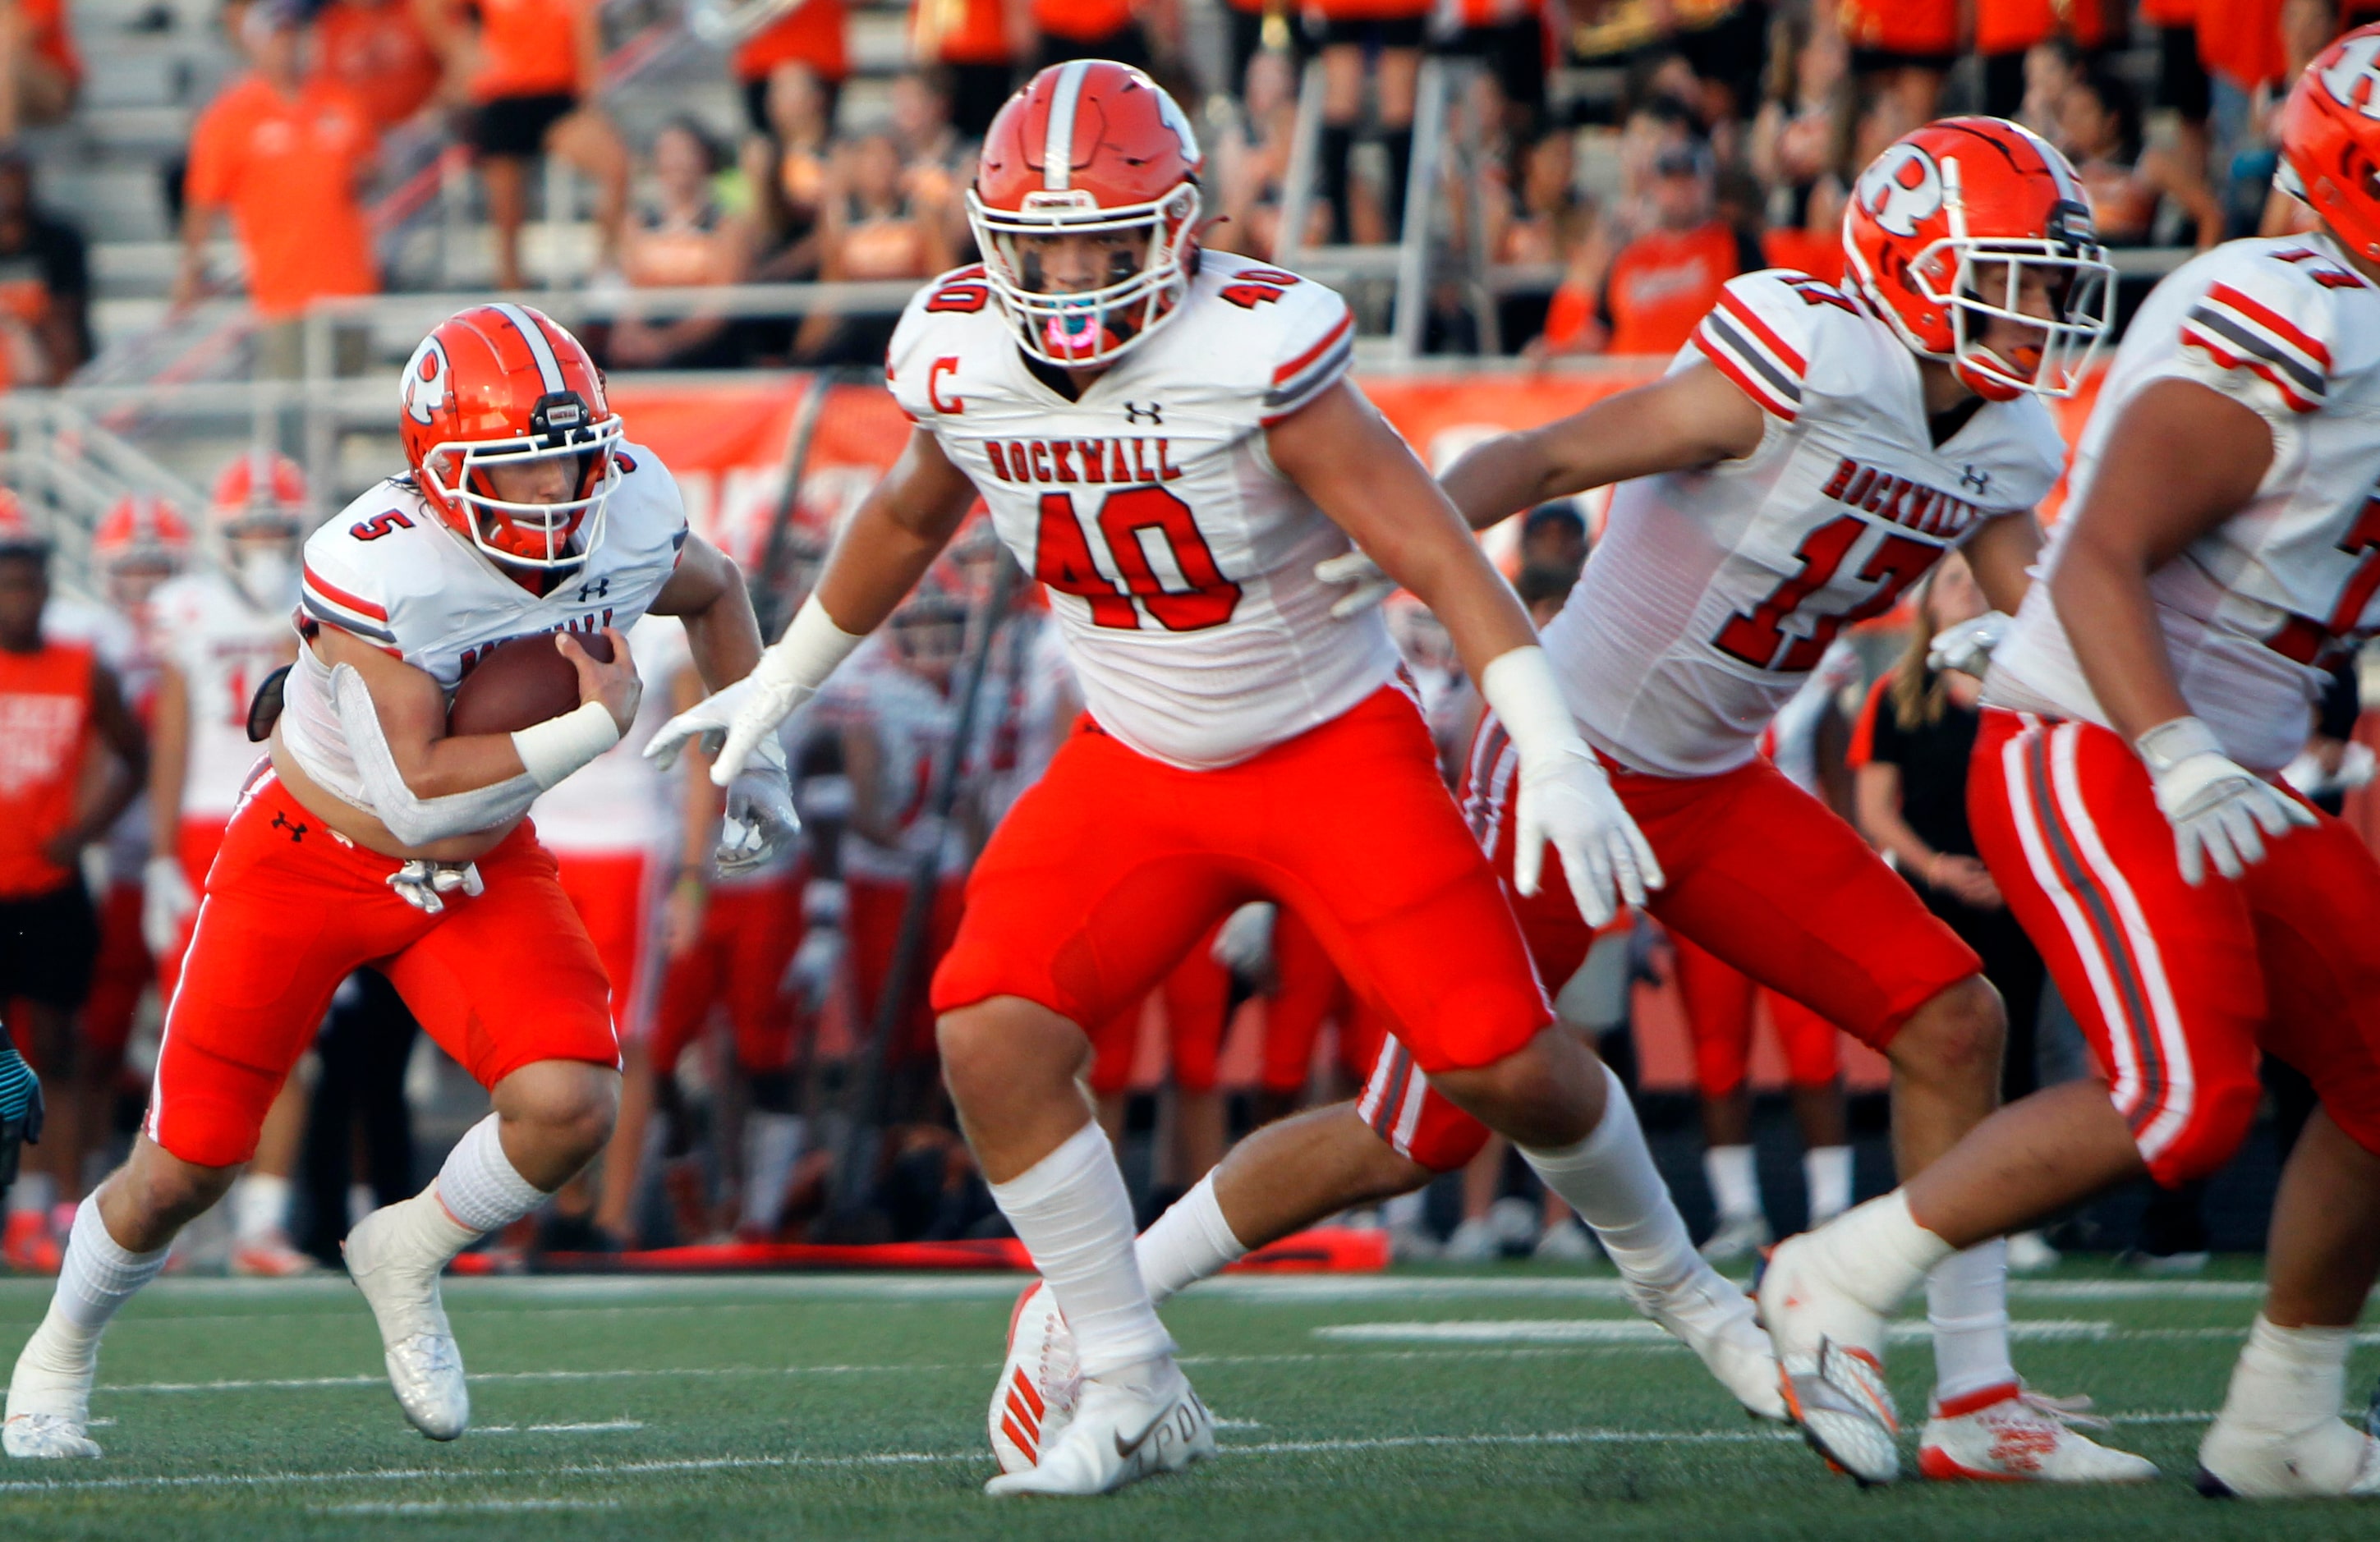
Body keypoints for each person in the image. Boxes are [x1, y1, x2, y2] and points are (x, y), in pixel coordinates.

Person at [1001, 116, 2158, 1488]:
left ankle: (1975, 1396)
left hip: (1717, 785)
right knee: (1408, 1132)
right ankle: (1094, 1300)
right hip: (1566, 772)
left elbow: (2042, 599)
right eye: (2015, 276)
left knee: (1949, 1014)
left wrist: (2148, 700)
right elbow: (1543, 460)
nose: (2039, 312)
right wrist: (1405, 542)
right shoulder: (1795, 361)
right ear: (1910, 264)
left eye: (2047, 280)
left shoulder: (2009, 436)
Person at [650, 61, 1745, 1497]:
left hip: (1325, 744)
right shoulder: (961, 356)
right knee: (987, 1030)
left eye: (1105, 239)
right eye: (1038, 247)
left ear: (1178, 227)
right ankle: (1126, 1370)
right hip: (1138, 756)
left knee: (1498, 1062)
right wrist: (779, 685)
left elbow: (1431, 545)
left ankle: (1693, 1292)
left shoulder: (1254, 351)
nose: (1071, 274)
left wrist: (1542, 735)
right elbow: (910, 512)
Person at [1, 302, 790, 1459]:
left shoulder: (623, 511)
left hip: (477, 864)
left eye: (574, 458)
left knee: (570, 1103)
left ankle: (407, 1247)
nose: (560, 493)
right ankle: (56, 1352)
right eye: (522, 472)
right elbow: (415, 790)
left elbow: (716, 593)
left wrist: (751, 753)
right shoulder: (386, 564)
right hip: (311, 856)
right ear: (439, 472)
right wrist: (596, 724)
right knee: (187, 1166)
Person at [1758, 31, 2380, 1497]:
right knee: (2183, 1096)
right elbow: (2096, 553)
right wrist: (2169, 751)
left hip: (2215, 765)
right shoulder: (2295, 315)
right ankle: (1830, 1277)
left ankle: (2281, 1410)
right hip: (2094, 738)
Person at [1850, 552, 2060, 1272]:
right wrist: (1936, 867)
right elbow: (1875, 809)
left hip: (2018, 895)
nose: (1970, 591)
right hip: (1933, 900)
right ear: (1926, 607)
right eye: (1953, 581)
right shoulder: (1897, 696)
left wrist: (2020, 873)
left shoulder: (2032, 694)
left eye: (1979, 579)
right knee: (1939, 1046)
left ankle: (2016, 1214)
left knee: (2020, 1046)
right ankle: (1931, 1207)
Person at [0, 509, 147, 1278]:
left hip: (51, 885)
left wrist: (85, 828)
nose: (18, 598)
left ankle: (50, 1204)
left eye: (30, 584)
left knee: (53, 1050)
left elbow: (136, 753)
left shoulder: (79, 666)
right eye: (7, 585)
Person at [177, 0, 379, 367]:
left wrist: (361, 177)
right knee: (293, 402)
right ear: (256, 44)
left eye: (293, 37)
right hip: (283, 291)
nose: (287, 48)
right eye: (278, 38)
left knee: (351, 401)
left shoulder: (341, 99)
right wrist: (191, 271)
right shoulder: (230, 117)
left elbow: (369, 168)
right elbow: (202, 200)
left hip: (348, 283)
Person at [423, 0, 629, 291]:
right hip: (503, 96)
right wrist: (459, 49)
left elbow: (585, 32)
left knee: (615, 167)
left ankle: (604, 269)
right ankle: (511, 300)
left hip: (557, 96)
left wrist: (590, 95)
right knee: (507, 215)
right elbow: (429, 8)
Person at [604, 119, 754, 370]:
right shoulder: (638, 223)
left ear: (705, 159)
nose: (677, 162)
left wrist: (666, 344)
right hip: (654, 327)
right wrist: (628, 336)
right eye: (669, 153)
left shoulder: (726, 225)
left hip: (705, 342)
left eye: (686, 152)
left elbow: (719, 305)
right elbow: (634, 294)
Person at [0, 154, 88, 386]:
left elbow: (68, 309)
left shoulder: (59, 240)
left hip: (42, 346)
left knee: (56, 329)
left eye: (12, 182)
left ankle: (63, 397)